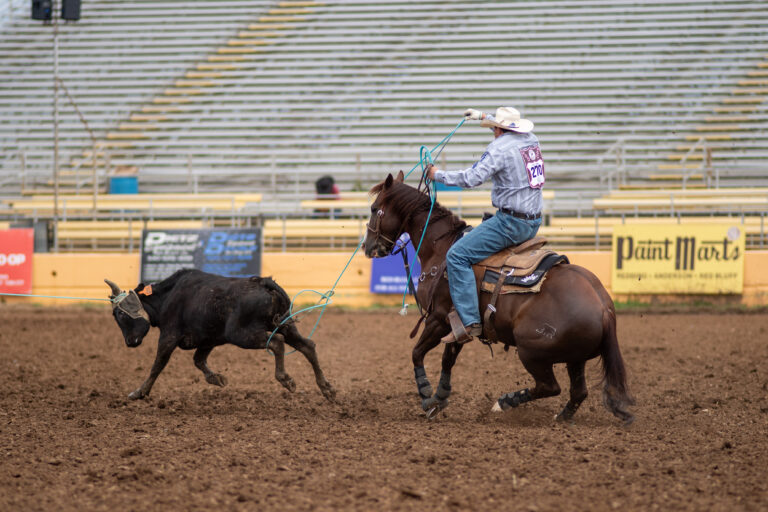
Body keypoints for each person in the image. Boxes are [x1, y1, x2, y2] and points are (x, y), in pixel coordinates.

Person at [426, 106, 544, 344]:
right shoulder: (531, 139)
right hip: (534, 220)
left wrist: (437, 175)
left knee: (457, 255)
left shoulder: (498, 149)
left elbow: (472, 178)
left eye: (494, 127)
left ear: (498, 129)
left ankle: (470, 322)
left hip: (510, 223)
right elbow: (505, 132)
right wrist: (483, 117)